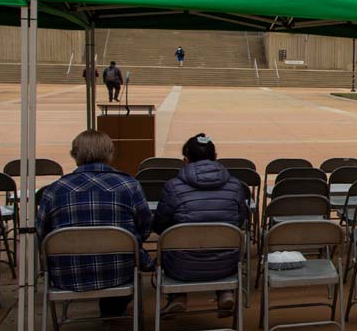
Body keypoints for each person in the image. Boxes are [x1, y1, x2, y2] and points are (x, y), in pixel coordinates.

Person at [36, 130, 153, 317]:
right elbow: (145, 227)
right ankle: (113, 307)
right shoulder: (129, 186)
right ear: (110, 153)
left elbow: (42, 234)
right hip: (118, 271)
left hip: (67, 275)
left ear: (74, 154)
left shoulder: (54, 190)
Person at [153, 133, 247, 315]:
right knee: (220, 242)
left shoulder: (173, 186)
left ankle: (177, 296)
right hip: (226, 265)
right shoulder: (235, 186)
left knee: (169, 247)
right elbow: (239, 221)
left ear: (186, 160)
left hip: (181, 266)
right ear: (216, 156)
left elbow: (160, 226)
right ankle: (225, 291)